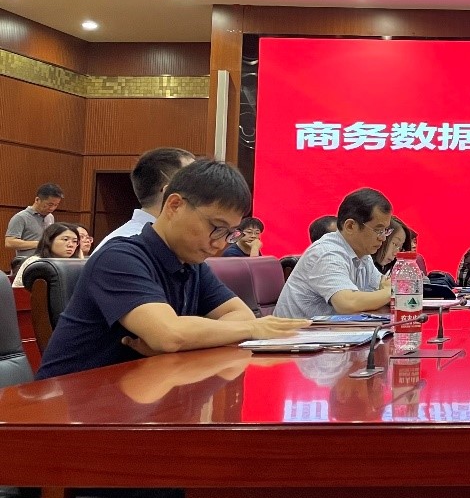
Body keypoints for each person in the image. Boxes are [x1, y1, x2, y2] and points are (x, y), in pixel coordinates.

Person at [35, 160, 309, 379]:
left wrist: (187, 337)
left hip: (141, 393)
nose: (219, 243)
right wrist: (251, 328)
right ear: (174, 205)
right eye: (216, 227)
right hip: (71, 407)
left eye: (229, 233)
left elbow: (239, 314)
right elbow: (169, 334)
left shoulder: (193, 263)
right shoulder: (119, 257)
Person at [274, 188, 393, 319]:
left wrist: (388, 290)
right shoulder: (327, 253)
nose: (383, 238)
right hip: (296, 331)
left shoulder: (362, 255)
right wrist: (392, 292)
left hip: (329, 329)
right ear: (350, 226)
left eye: (385, 231)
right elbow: (347, 303)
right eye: (378, 230)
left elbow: (384, 283)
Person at [93, 147, 196, 255]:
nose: (203, 190)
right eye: (195, 182)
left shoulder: (167, 242)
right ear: (169, 192)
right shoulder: (128, 248)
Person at [12, 223, 82, 288]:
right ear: (49, 240)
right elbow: (19, 292)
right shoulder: (35, 262)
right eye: (65, 239)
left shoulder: (73, 264)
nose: (71, 245)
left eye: (75, 241)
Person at [5, 183, 64, 256]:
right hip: (27, 261)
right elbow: (9, 243)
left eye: (56, 205)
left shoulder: (50, 217)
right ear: (37, 200)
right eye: (50, 204)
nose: (52, 208)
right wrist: (39, 243)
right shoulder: (21, 217)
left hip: (46, 260)